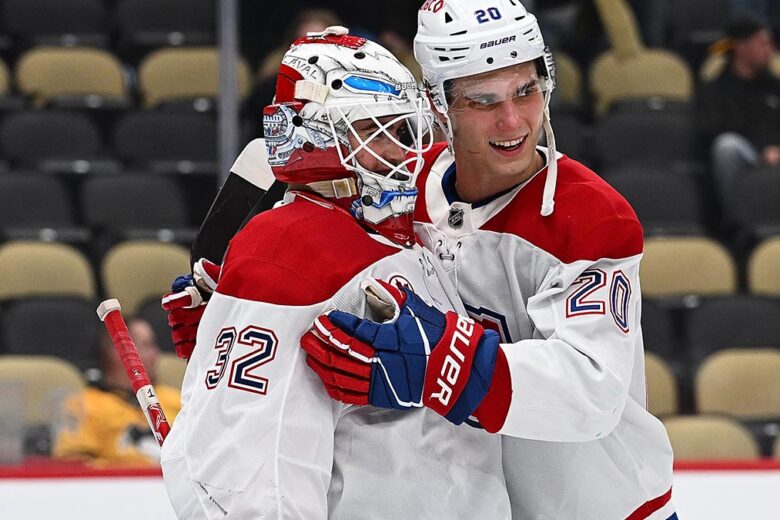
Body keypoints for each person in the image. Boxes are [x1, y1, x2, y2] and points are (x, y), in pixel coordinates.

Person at [303, 2, 677, 519]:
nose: (512, 120)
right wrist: (245, 306)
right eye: (483, 100)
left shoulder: (591, 217)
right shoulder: (400, 188)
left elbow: (592, 391)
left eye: (526, 91)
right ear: (438, 104)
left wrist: (444, 364)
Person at [159, 27, 511, 519]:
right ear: (316, 135)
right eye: (375, 131)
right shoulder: (288, 249)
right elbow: (255, 470)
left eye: (401, 132)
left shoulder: (399, 230)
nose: (400, 152)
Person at [52, 318, 180, 467]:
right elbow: (75, 468)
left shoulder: (175, 399)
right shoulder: (84, 405)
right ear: (119, 350)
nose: (156, 354)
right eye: (147, 345)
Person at [698, 15, 780, 208]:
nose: (770, 50)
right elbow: (712, 130)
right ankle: (736, 214)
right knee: (727, 146)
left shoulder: (773, 86)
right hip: (747, 156)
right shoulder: (716, 90)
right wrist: (762, 149)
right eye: (763, 43)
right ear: (741, 46)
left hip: (776, 153)